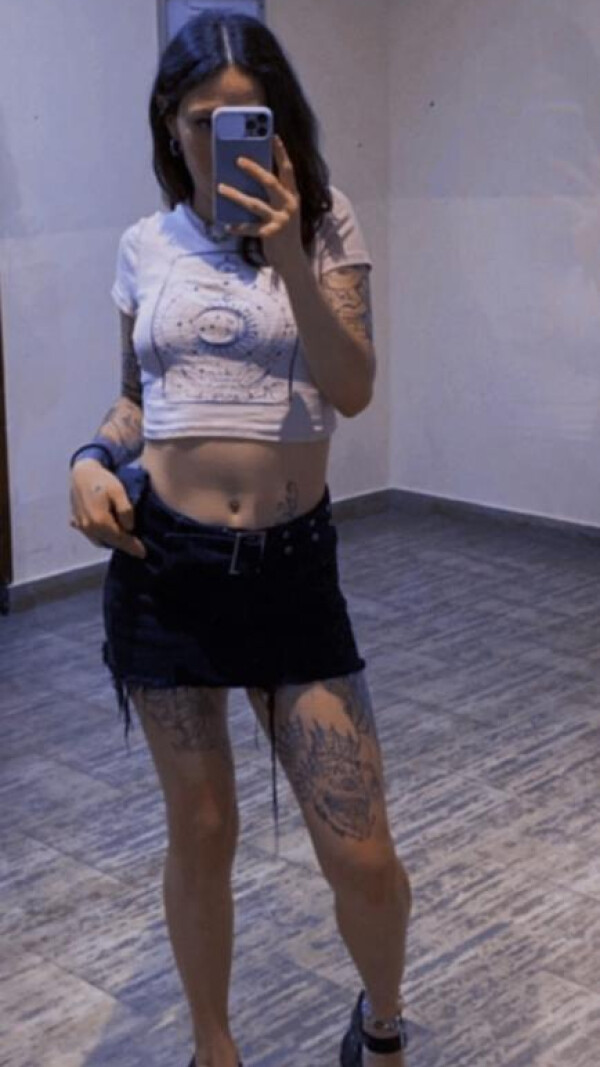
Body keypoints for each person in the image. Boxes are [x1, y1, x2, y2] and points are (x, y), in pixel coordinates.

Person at [68, 10, 412, 1067]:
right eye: (201, 122)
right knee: (204, 828)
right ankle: (213, 1046)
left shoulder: (327, 223)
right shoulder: (144, 245)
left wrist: (289, 254)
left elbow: (351, 387)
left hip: (291, 570)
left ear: (280, 121)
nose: (222, 142)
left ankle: (383, 1024)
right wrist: (91, 455)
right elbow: (139, 401)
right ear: (171, 128)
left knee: (361, 854)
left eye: (246, 118)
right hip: (166, 570)